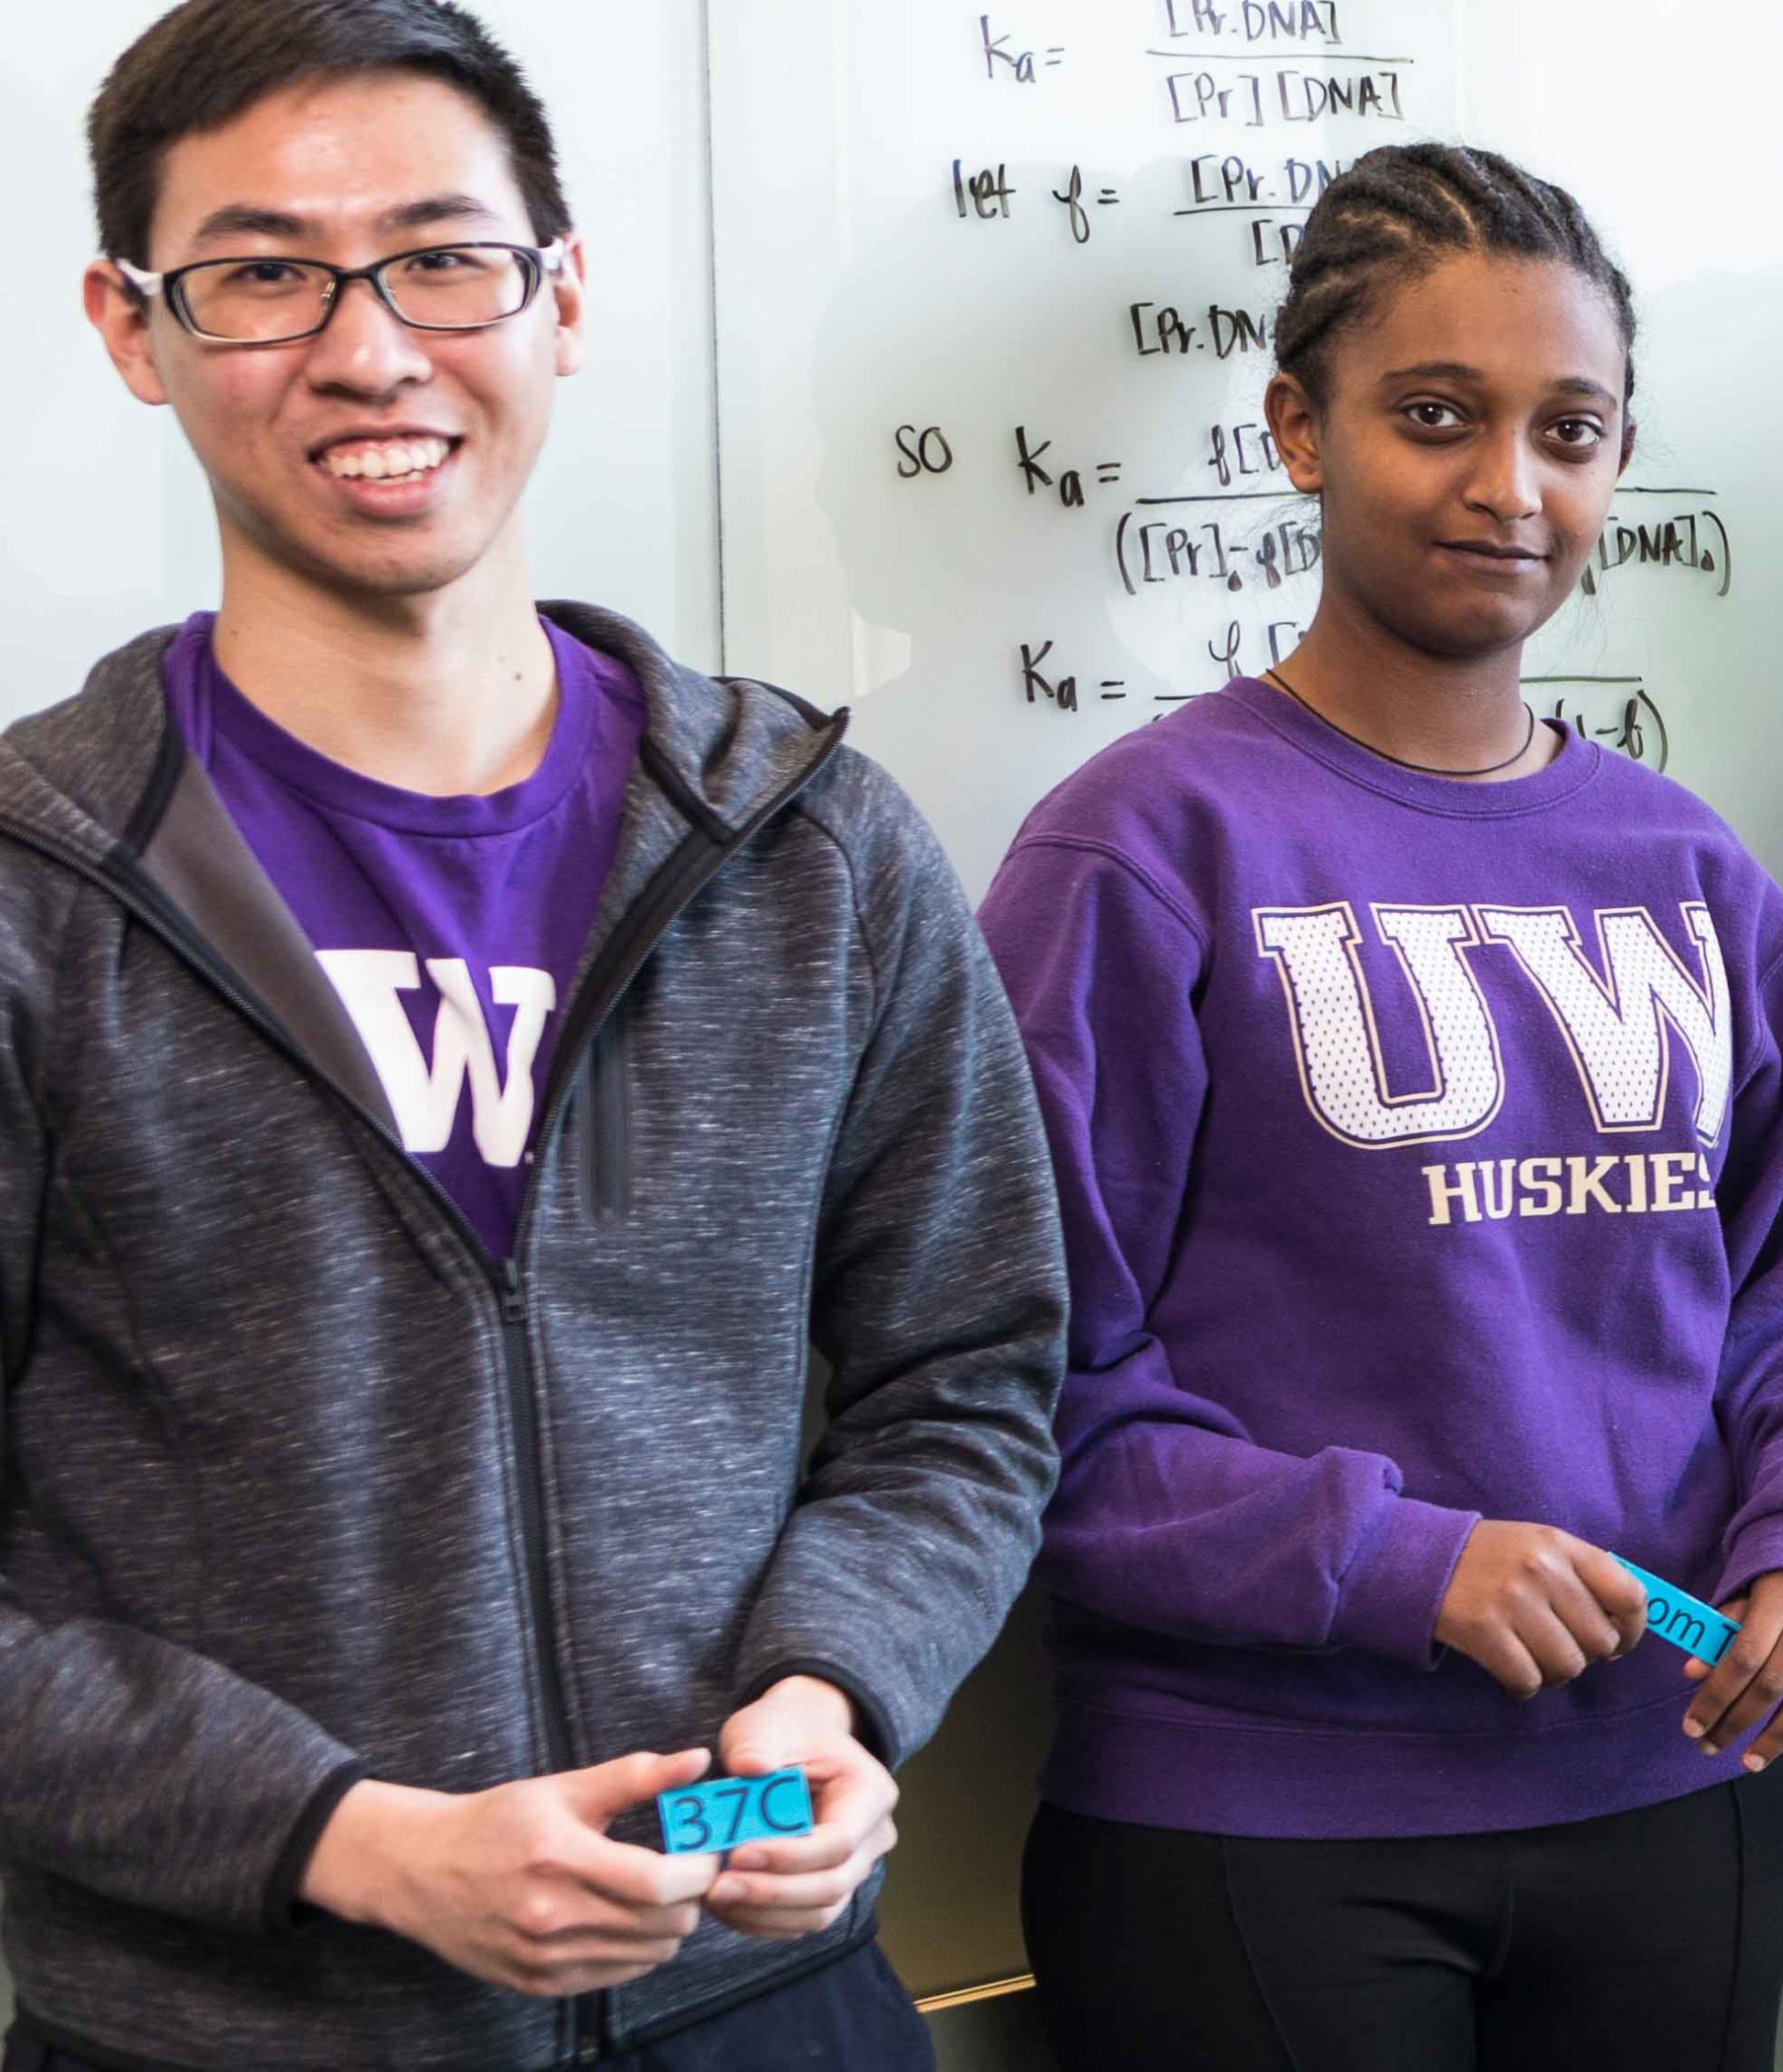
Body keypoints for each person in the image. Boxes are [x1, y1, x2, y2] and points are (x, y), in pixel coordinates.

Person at [0, 3, 1066, 2066]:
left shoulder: (809, 846)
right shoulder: (35, 887)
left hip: (768, 2005)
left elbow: (971, 1377)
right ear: (133, 330)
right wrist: (339, 1836)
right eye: (258, 275)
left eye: (442, 257)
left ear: (560, 297)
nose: (372, 347)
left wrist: (830, 1691)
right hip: (229, 2034)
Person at [977, 142, 1783, 2072]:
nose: (1509, 487)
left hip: (1666, 1797)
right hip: (1256, 1825)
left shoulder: (1685, 873)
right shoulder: (1143, 850)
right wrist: (1407, 1564)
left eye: (1566, 430)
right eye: (1435, 417)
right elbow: (1022, 1404)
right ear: (1295, 432)